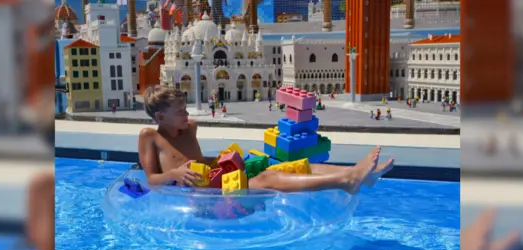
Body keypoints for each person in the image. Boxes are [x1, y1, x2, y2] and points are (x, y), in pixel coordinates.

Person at [137, 87, 393, 194]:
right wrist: (175, 174)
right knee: (264, 180)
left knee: (285, 165)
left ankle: (357, 174)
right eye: (180, 111)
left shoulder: (190, 128)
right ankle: (346, 181)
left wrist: (225, 162)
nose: (188, 114)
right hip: (195, 193)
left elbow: (199, 159)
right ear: (160, 116)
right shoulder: (150, 137)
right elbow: (151, 179)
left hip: (214, 178)